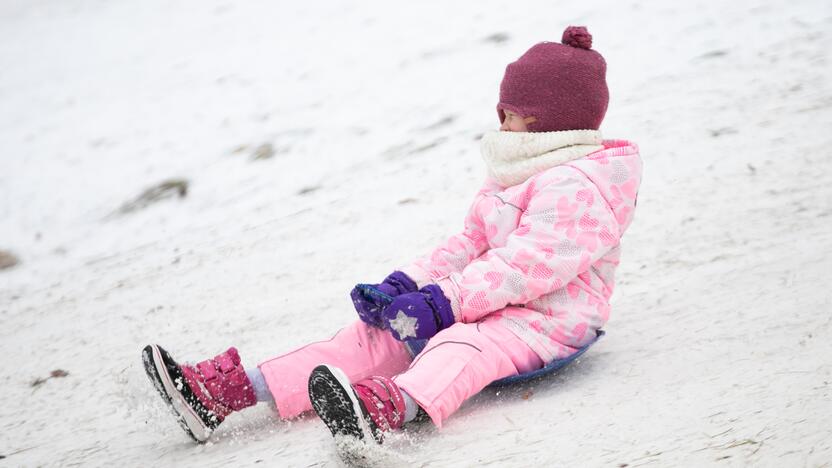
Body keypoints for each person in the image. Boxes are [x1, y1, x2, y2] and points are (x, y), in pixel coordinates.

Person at [142, 25, 642, 445]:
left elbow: (526, 266)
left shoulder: (580, 185)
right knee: (374, 335)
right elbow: (468, 243)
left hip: (548, 319)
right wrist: (406, 284)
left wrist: (445, 303)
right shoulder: (519, 169)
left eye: (510, 115)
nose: (502, 124)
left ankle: (390, 407)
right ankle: (228, 393)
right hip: (488, 300)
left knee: (463, 343)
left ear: (545, 121)